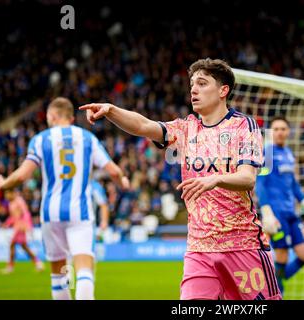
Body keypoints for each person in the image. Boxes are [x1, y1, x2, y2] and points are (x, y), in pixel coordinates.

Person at [79, 58, 281, 300]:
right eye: (192, 84)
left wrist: (214, 180)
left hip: (242, 246)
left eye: (202, 83)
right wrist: (112, 110)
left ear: (223, 90)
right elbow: (144, 125)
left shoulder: (243, 126)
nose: (194, 89)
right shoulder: (186, 129)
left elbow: (248, 178)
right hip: (199, 250)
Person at [0, 97, 130, 300]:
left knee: (60, 272)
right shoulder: (87, 138)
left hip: (51, 213)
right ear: (72, 118)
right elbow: (113, 171)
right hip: (80, 213)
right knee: (84, 269)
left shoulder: (41, 139)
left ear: (52, 115)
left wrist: (2, 184)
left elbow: (23, 175)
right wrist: (123, 182)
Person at [255, 116, 304, 297]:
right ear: (271, 132)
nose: (280, 132)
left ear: (288, 131)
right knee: (282, 257)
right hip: (276, 215)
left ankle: (272, 284)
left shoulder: (289, 154)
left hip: (291, 213)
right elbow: (260, 184)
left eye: (283, 128)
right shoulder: (267, 153)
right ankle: (276, 292)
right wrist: (267, 212)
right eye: (276, 129)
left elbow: (294, 185)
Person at [0, 189, 44, 274]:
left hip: (21, 227)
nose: (6, 196)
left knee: (13, 245)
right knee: (24, 246)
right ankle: (38, 263)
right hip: (17, 227)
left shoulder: (19, 201)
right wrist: (6, 224)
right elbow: (14, 217)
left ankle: (10, 267)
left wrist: (27, 226)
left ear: (12, 193)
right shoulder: (11, 203)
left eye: (7, 193)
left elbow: (26, 213)